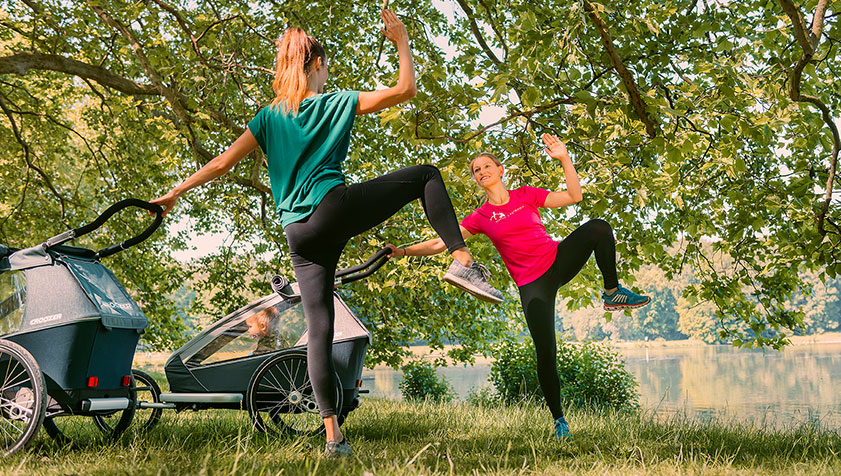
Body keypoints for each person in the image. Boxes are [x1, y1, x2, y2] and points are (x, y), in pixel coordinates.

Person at [151, 8, 501, 458]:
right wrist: (401, 40)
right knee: (427, 175)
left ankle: (333, 438)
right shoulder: (335, 101)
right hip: (331, 209)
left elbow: (221, 164)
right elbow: (405, 90)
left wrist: (176, 190)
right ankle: (463, 262)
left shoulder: (268, 117)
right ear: (317, 65)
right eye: (327, 65)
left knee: (320, 327)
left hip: (297, 232)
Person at [387, 133, 651, 439]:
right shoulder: (481, 217)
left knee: (599, 228)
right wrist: (403, 251)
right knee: (546, 352)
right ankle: (559, 421)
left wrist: (564, 158)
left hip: (556, 260)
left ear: (500, 171)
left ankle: (612, 292)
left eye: (487, 166)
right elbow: (439, 242)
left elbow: (573, 196)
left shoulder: (527, 194)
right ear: (476, 180)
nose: (482, 171)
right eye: (476, 170)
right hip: (531, 284)